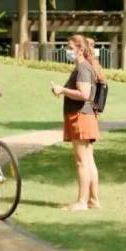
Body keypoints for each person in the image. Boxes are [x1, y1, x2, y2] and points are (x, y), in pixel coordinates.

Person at [50, 34, 101, 211]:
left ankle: (82, 202)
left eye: (71, 48)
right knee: (89, 161)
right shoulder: (85, 67)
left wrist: (62, 90)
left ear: (80, 50)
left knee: (82, 162)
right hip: (86, 117)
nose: (67, 51)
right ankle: (93, 200)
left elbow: (84, 94)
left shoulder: (83, 69)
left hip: (80, 117)